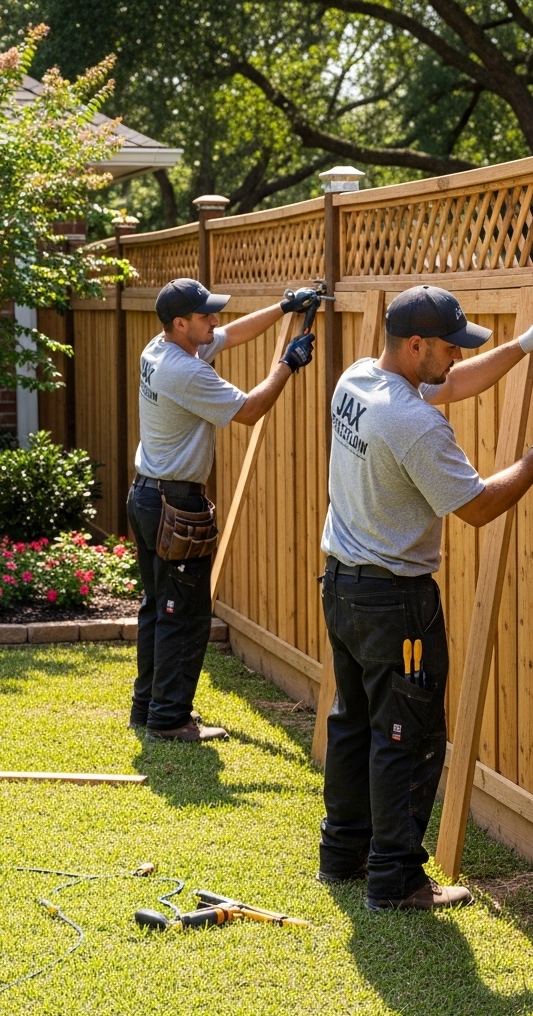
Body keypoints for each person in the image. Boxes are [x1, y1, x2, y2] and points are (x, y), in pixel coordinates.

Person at [318, 284, 533, 910]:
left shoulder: (359, 379)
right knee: (407, 735)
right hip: (395, 603)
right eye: (449, 347)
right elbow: (480, 507)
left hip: (343, 585)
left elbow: (454, 385)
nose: (458, 357)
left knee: (354, 721)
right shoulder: (410, 422)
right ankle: (396, 880)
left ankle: (342, 853)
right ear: (415, 347)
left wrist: (525, 345)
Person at [128, 278, 318, 742]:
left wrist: (282, 306)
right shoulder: (185, 372)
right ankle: (168, 720)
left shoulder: (160, 349)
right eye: (205, 315)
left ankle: (146, 707)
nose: (215, 321)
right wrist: (287, 364)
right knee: (184, 614)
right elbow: (250, 410)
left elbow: (230, 335)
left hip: (148, 496)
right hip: (175, 504)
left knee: (158, 607)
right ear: (180, 323)